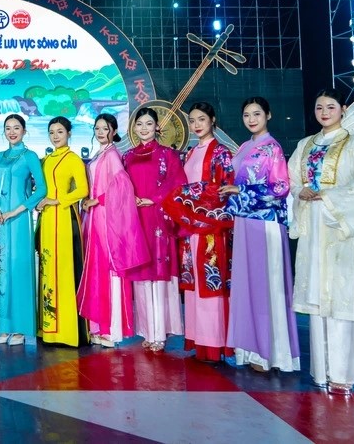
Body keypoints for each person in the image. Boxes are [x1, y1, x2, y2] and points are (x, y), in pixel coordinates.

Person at [288, 88, 354, 395]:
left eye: (331, 107)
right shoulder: (305, 145)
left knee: (344, 296)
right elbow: (292, 180)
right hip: (313, 227)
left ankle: (346, 371)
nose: (325, 112)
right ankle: (324, 370)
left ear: (343, 109)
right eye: (319, 107)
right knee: (320, 297)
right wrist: (300, 191)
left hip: (342, 228)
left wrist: (330, 198)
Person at [221, 97, 300, 373]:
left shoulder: (272, 147)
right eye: (246, 115)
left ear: (268, 115)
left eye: (256, 114)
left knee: (267, 286)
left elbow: (280, 188)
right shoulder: (245, 146)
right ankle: (249, 349)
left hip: (266, 223)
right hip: (245, 221)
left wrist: (240, 191)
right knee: (247, 285)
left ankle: (271, 353)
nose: (251, 119)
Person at [162, 101, 235, 363]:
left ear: (212, 120)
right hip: (189, 227)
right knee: (193, 287)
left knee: (210, 285)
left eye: (201, 119)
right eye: (192, 120)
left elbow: (224, 188)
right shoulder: (191, 152)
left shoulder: (221, 152)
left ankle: (214, 345)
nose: (196, 125)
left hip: (210, 228)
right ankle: (198, 342)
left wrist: (187, 195)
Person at [76, 113, 149, 347]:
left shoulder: (113, 155)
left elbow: (122, 186)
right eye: (97, 128)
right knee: (96, 268)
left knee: (109, 268)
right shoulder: (100, 153)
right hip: (94, 217)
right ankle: (98, 326)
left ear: (114, 131)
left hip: (107, 218)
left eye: (105, 128)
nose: (100, 132)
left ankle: (113, 329)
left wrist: (96, 200)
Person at [123, 107, 187, 352]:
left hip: (158, 217)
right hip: (136, 218)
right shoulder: (127, 156)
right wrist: (130, 198)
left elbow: (178, 183)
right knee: (141, 275)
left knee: (159, 275)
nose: (144, 128)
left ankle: (160, 332)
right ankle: (147, 330)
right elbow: (121, 185)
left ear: (157, 126)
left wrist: (154, 199)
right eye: (139, 124)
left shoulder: (168, 154)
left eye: (149, 123)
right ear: (134, 128)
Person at [0, 114, 46, 346]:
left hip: (19, 220)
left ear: (24, 131)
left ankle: (21, 329)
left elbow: (41, 189)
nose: (12, 132)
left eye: (16, 128)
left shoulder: (29, 156)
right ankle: (4, 328)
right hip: (0, 221)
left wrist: (17, 210)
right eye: (8, 128)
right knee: (1, 270)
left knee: (18, 268)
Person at [35, 116, 90, 347]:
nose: (55, 136)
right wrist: (40, 203)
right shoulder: (47, 159)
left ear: (69, 133)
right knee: (48, 270)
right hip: (47, 219)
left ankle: (67, 332)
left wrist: (57, 200)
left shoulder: (73, 159)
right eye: (52, 132)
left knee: (65, 271)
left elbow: (83, 190)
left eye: (60, 131)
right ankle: (49, 329)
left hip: (65, 218)